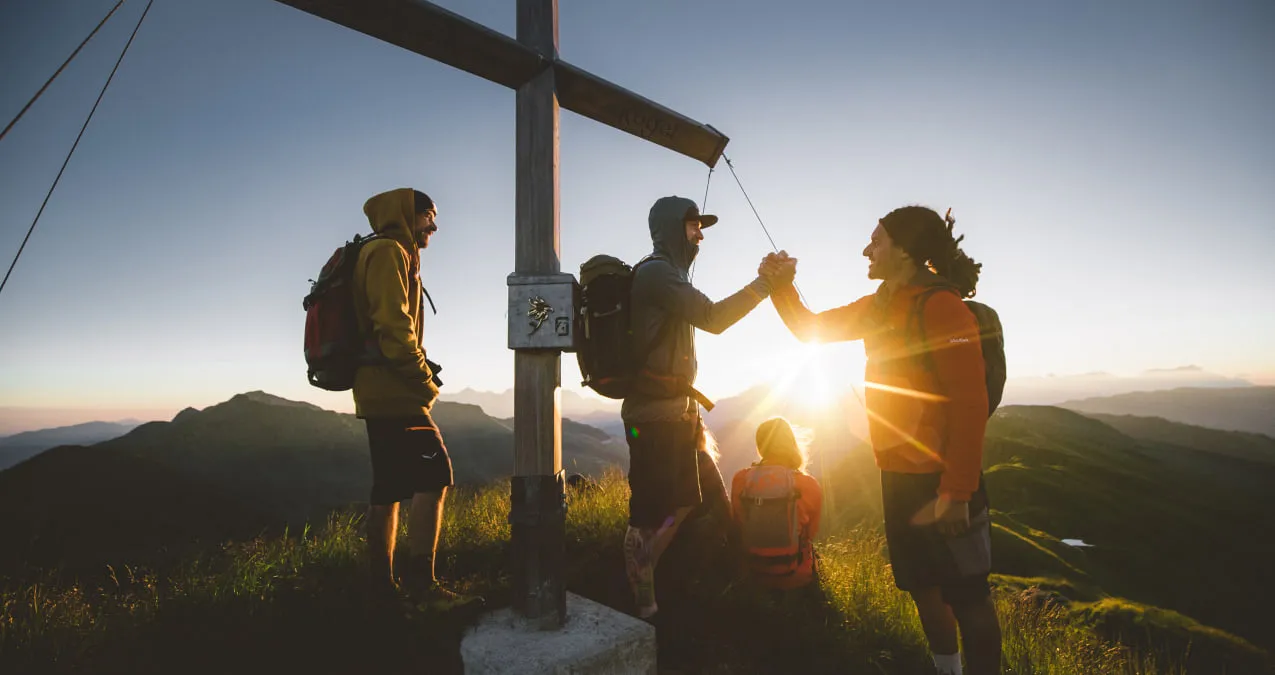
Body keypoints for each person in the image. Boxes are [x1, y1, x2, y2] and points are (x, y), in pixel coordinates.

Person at [760, 206, 1001, 675]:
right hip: (899, 477)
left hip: (943, 481)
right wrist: (779, 285)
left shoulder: (943, 307)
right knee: (923, 587)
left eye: (877, 241)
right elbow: (809, 328)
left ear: (906, 251)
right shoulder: (880, 305)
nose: (867, 250)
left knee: (969, 596)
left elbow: (969, 404)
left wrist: (957, 492)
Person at [622, 195, 777, 619]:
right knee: (665, 506)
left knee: (694, 498)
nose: (701, 234)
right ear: (673, 228)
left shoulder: (668, 274)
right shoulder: (657, 274)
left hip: (674, 412)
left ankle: (667, 574)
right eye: (693, 226)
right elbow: (713, 317)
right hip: (657, 417)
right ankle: (645, 571)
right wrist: (763, 285)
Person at [353, 187, 475, 608]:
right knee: (436, 475)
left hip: (375, 388)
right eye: (429, 217)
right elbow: (394, 328)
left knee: (387, 488)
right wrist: (425, 383)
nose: (434, 226)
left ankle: (381, 587)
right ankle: (423, 588)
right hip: (396, 389)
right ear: (410, 214)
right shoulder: (390, 252)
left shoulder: (380, 251)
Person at [730, 417, 824, 590]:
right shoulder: (808, 484)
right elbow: (810, 533)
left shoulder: (741, 479)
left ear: (761, 446)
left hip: (751, 574)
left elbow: (737, 524)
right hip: (796, 577)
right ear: (791, 443)